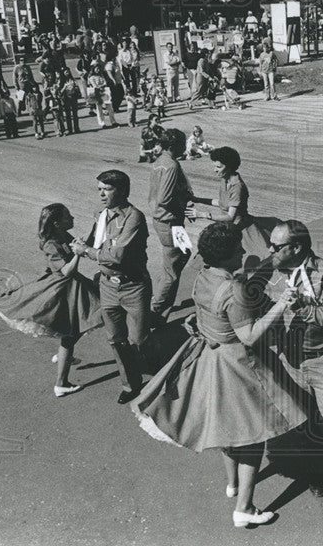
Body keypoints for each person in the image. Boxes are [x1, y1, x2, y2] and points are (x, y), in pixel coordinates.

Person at [130, 223, 305, 528]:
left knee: (227, 428)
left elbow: (204, 312)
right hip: (237, 364)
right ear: (227, 256)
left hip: (209, 359)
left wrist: (268, 265)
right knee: (252, 435)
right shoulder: (233, 290)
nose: (243, 251)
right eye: (238, 248)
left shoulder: (204, 276)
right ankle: (245, 509)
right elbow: (249, 335)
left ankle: (232, 483)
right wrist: (281, 304)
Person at [259, 220, 323, 496]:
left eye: (276, 246)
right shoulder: (271, 272)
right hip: (289, 359)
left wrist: (303, 307)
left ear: (295, 247)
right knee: (299, 418)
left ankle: (322, 474)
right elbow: (254, 304)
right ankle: (304, 461)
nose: (270, 249)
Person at [0, 203, 104, 397]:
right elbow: (67, 271)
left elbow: (81, 247)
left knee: (77, 328)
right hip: (62, 288)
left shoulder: (61, 234)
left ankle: (65, 356)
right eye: (68, 216)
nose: (72, 219)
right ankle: (61, 383)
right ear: (57, 223)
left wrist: (96, 226)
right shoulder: (50, 243)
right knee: (72, 332)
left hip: (71, 286)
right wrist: (78, 255)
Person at [70, 170, 152, 403]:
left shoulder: (133, 217)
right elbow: (96, 241)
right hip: (108, 286)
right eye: (99, 189)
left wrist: (86, 251)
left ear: (123, 191)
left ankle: (151, 364)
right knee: (116, 339)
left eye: (107, 189)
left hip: (133, 286)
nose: (101, 194)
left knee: (138, 340)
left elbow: (117, 256)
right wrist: (81, 244)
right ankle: (131, 385)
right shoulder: (101, 215)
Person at [185, 146, 272, 271]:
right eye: (215, 166)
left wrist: (202, 214)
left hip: (238, 227)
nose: (215, 170)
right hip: (227, 226)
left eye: (218, 167)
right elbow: (222, 203)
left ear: (229, 166)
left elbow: (230, 217)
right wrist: (198, 199)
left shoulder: (237, 187)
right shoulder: (225, 180)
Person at [146, 127, 196, 325]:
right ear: (175, 145)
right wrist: (183, 205)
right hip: (170, 222)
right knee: (172, 268)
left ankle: (164, 300)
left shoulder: (160, 162)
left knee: (183, 254)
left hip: (164, 220)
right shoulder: (172, 166)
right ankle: (156, 308)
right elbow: (165, 198)